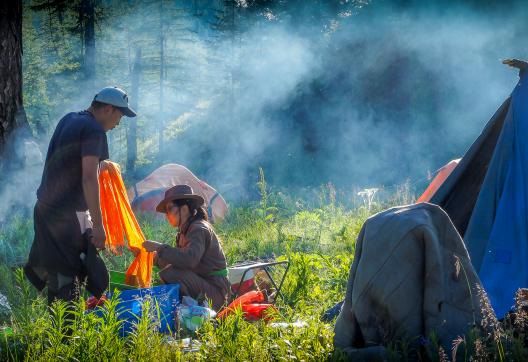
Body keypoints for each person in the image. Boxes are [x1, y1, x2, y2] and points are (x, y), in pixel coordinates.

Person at [24, 86, 136, 305]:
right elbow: (88, 178)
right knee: (70, 274)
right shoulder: (95, 130)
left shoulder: (69, 119)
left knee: (59, 273)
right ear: (109, 109)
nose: (117, 124)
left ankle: (60, 330)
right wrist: (98, 227)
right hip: (66, 217)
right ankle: (67, 335)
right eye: (119, 117)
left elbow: (70, 166)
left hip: (45, 209)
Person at [143, 185, 230, 311]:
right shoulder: (185, 231)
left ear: (184, 209)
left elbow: (189, 260)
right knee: (171, 270)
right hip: (204, 286)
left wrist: (159, 247)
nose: (167, 215)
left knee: (171, 273)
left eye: (169, 209)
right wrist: (151, 257)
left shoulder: (198, 229)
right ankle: (182, 308)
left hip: (216, 293)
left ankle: (187, 310)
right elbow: (177, 261)